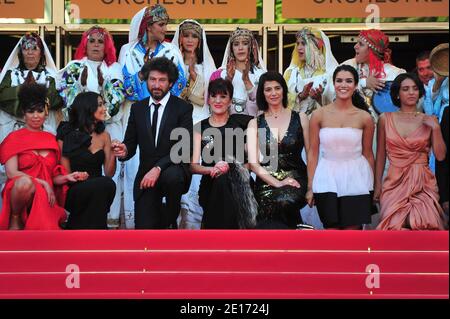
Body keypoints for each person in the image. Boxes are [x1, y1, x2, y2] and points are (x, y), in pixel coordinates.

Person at [118, 4, 187, 228]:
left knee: (172, 176)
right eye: (160, 24)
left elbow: (180, 84)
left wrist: (156, 92)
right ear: (148, 26)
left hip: (168, 115)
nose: (165, 28)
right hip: (138, 113)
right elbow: (124, 88)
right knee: (134, 174)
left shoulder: (172, 51)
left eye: (165, 24)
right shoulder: (127, 51)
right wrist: (142, 75)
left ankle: (170, 220)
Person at [112, 57, 193, 229]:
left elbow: (182, 148)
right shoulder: (137, 108)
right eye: (152, 79)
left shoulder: (183, 108)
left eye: (162, 80)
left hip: (173, 172)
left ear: (170, 83)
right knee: (144, 230)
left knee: (172, 177)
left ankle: (171, 221)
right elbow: (130, 145)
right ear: (146, 81)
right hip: (145, 176)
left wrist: (158, 168)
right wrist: (123, 150)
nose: (156, 85)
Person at [58, 26, 125, 228]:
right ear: (85, 44)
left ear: (107, 46)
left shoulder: (114, 69)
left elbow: (115, 101)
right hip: (79, 125)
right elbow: (69, 99)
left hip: (107, 126)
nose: (96, 45)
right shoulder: (73, 66)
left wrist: (102, 93)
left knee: (110, 177)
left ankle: (105, 225)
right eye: (92, 40)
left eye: (101, 41)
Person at [0, 84, 77, 230]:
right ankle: (15, 217)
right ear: (24, 113)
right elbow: (12, 173)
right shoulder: (13, 138)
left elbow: (53, 177)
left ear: (46, 113)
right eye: (31, 111)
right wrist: (43, 183)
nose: (36, 115)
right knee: (24, 183)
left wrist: (68, 177)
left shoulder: (52, 139)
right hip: (20, 190)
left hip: (46, 193)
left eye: (40, 111)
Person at [307, 65, 375, 230]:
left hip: (357, 179)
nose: (343, 85)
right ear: (334, 83)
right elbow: (313, 153)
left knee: (353, 236)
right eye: (339, 81)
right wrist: (310, 187)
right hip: (326, 179)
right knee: (331, 234)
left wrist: (374, 188)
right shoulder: (318, 115)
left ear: (356, 85)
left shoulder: (365, 117)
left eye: (349, 81)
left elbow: (368, 153)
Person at [0, 33, 64, 208]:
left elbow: (56, 99)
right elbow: (3, 97)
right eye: (26, 48)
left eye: (34, 48)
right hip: (13, 131)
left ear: (41, 53)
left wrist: (25, 95)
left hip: (42, 131)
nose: (30, 52)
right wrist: (32, 91)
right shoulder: (9, 75)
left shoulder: (52, 76)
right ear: (20, 52)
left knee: (45, 170)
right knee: (9, 175)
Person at [375, 73, 446, 230]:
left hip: (423, 183)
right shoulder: (384, 119)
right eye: (405, 89)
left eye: (415, 89)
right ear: (397, 94)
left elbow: (440, 156)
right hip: (394, 181)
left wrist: (435, 127)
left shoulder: (430, 120)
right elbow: (380, 156)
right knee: (393, 227)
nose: (411, 92)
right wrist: (377, 185)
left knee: (425, 225)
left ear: (420, 92)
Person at [191, 78, 256, 229]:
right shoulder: (199, 127)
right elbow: (193, 166)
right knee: (221, 181)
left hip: (241, 183)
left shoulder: (243, 122)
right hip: (211, 185)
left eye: (223, 96)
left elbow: (254, 158)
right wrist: (213, 169)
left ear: (230, 101)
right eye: (214, 96)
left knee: (226, 180)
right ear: (208, 100)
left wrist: (235, 167)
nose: (218, 100)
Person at [247, 72, 309, 229]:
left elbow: (312, 153)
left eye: (277, 88)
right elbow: (254, 164)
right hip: (266, 182)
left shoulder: (301, 117)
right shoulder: (254, 123)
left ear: (284, 90)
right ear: (262, 93)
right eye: (268, 89)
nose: (273, 93)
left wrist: (311, 187)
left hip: (296, 178)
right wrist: (278, 183)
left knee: (284, 201)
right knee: (268, 208)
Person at [172, 19, 217, 229]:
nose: (190, 40)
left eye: (194, 36)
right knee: (178, 172)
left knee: (198, 174)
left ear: (200, 41)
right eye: (186, 35)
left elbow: (211, 97)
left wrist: (194, 79)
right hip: (177, 124)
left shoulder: (206, 66)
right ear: (179, 38)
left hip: (201, 121)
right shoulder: (171, 62)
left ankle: (197, 230)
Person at [56, 92, 116, 229]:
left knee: (108, 184)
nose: (104, 109)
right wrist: (76, 176)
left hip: (100, 185)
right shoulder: (66, 134)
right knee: (103, 185)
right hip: (75, 187)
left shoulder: (105, 136)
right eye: (100, 105)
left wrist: (113, 151)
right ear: (88, 107)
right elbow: (65, 173)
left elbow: (109, 173)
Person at [341, 29, 406, 121]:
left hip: (385, 128)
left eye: (361, 44)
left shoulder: (395, 73)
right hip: (353, 126)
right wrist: (364, 83)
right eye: (357, 43)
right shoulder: (348, 65)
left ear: (372, 50)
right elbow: (334, 89)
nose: (355, 46)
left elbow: (407, 103)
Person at [210, 27, 266, 117]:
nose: (240, 48)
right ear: (231, 49)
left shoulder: (261, 75)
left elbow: (265, 106)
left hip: (254, 126)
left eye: (245, 43)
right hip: (228, 126)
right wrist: (228, 80)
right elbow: (213, 104)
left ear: (251, 47)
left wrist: (246, 80)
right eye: (236, 44)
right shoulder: (219, 74)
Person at [283, 27, 338, 115]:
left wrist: (319, 99)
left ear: (315, 47)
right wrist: (300, 96)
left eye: (303, 44)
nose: (299, 48)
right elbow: (280, 101)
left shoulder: (330, 74)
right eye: (298, 43)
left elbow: (338, 107)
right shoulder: (290, 73)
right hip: (294, 125)